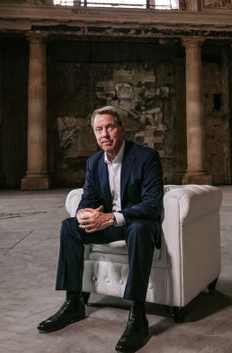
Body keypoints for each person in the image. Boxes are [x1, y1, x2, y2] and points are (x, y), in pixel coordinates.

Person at [38, 106, 164, 352]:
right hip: (108, 223)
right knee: (69, 227)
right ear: (94, 135)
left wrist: (111, 218)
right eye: (99, 129)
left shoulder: (145, 157)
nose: (104, 134)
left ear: (121, 129)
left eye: (109, 127)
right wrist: (86, 215)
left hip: (135, 222)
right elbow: (87, 199)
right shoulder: (94, 162)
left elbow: (151, 206)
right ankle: (73, 301)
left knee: (139, 230)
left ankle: (138, 314)